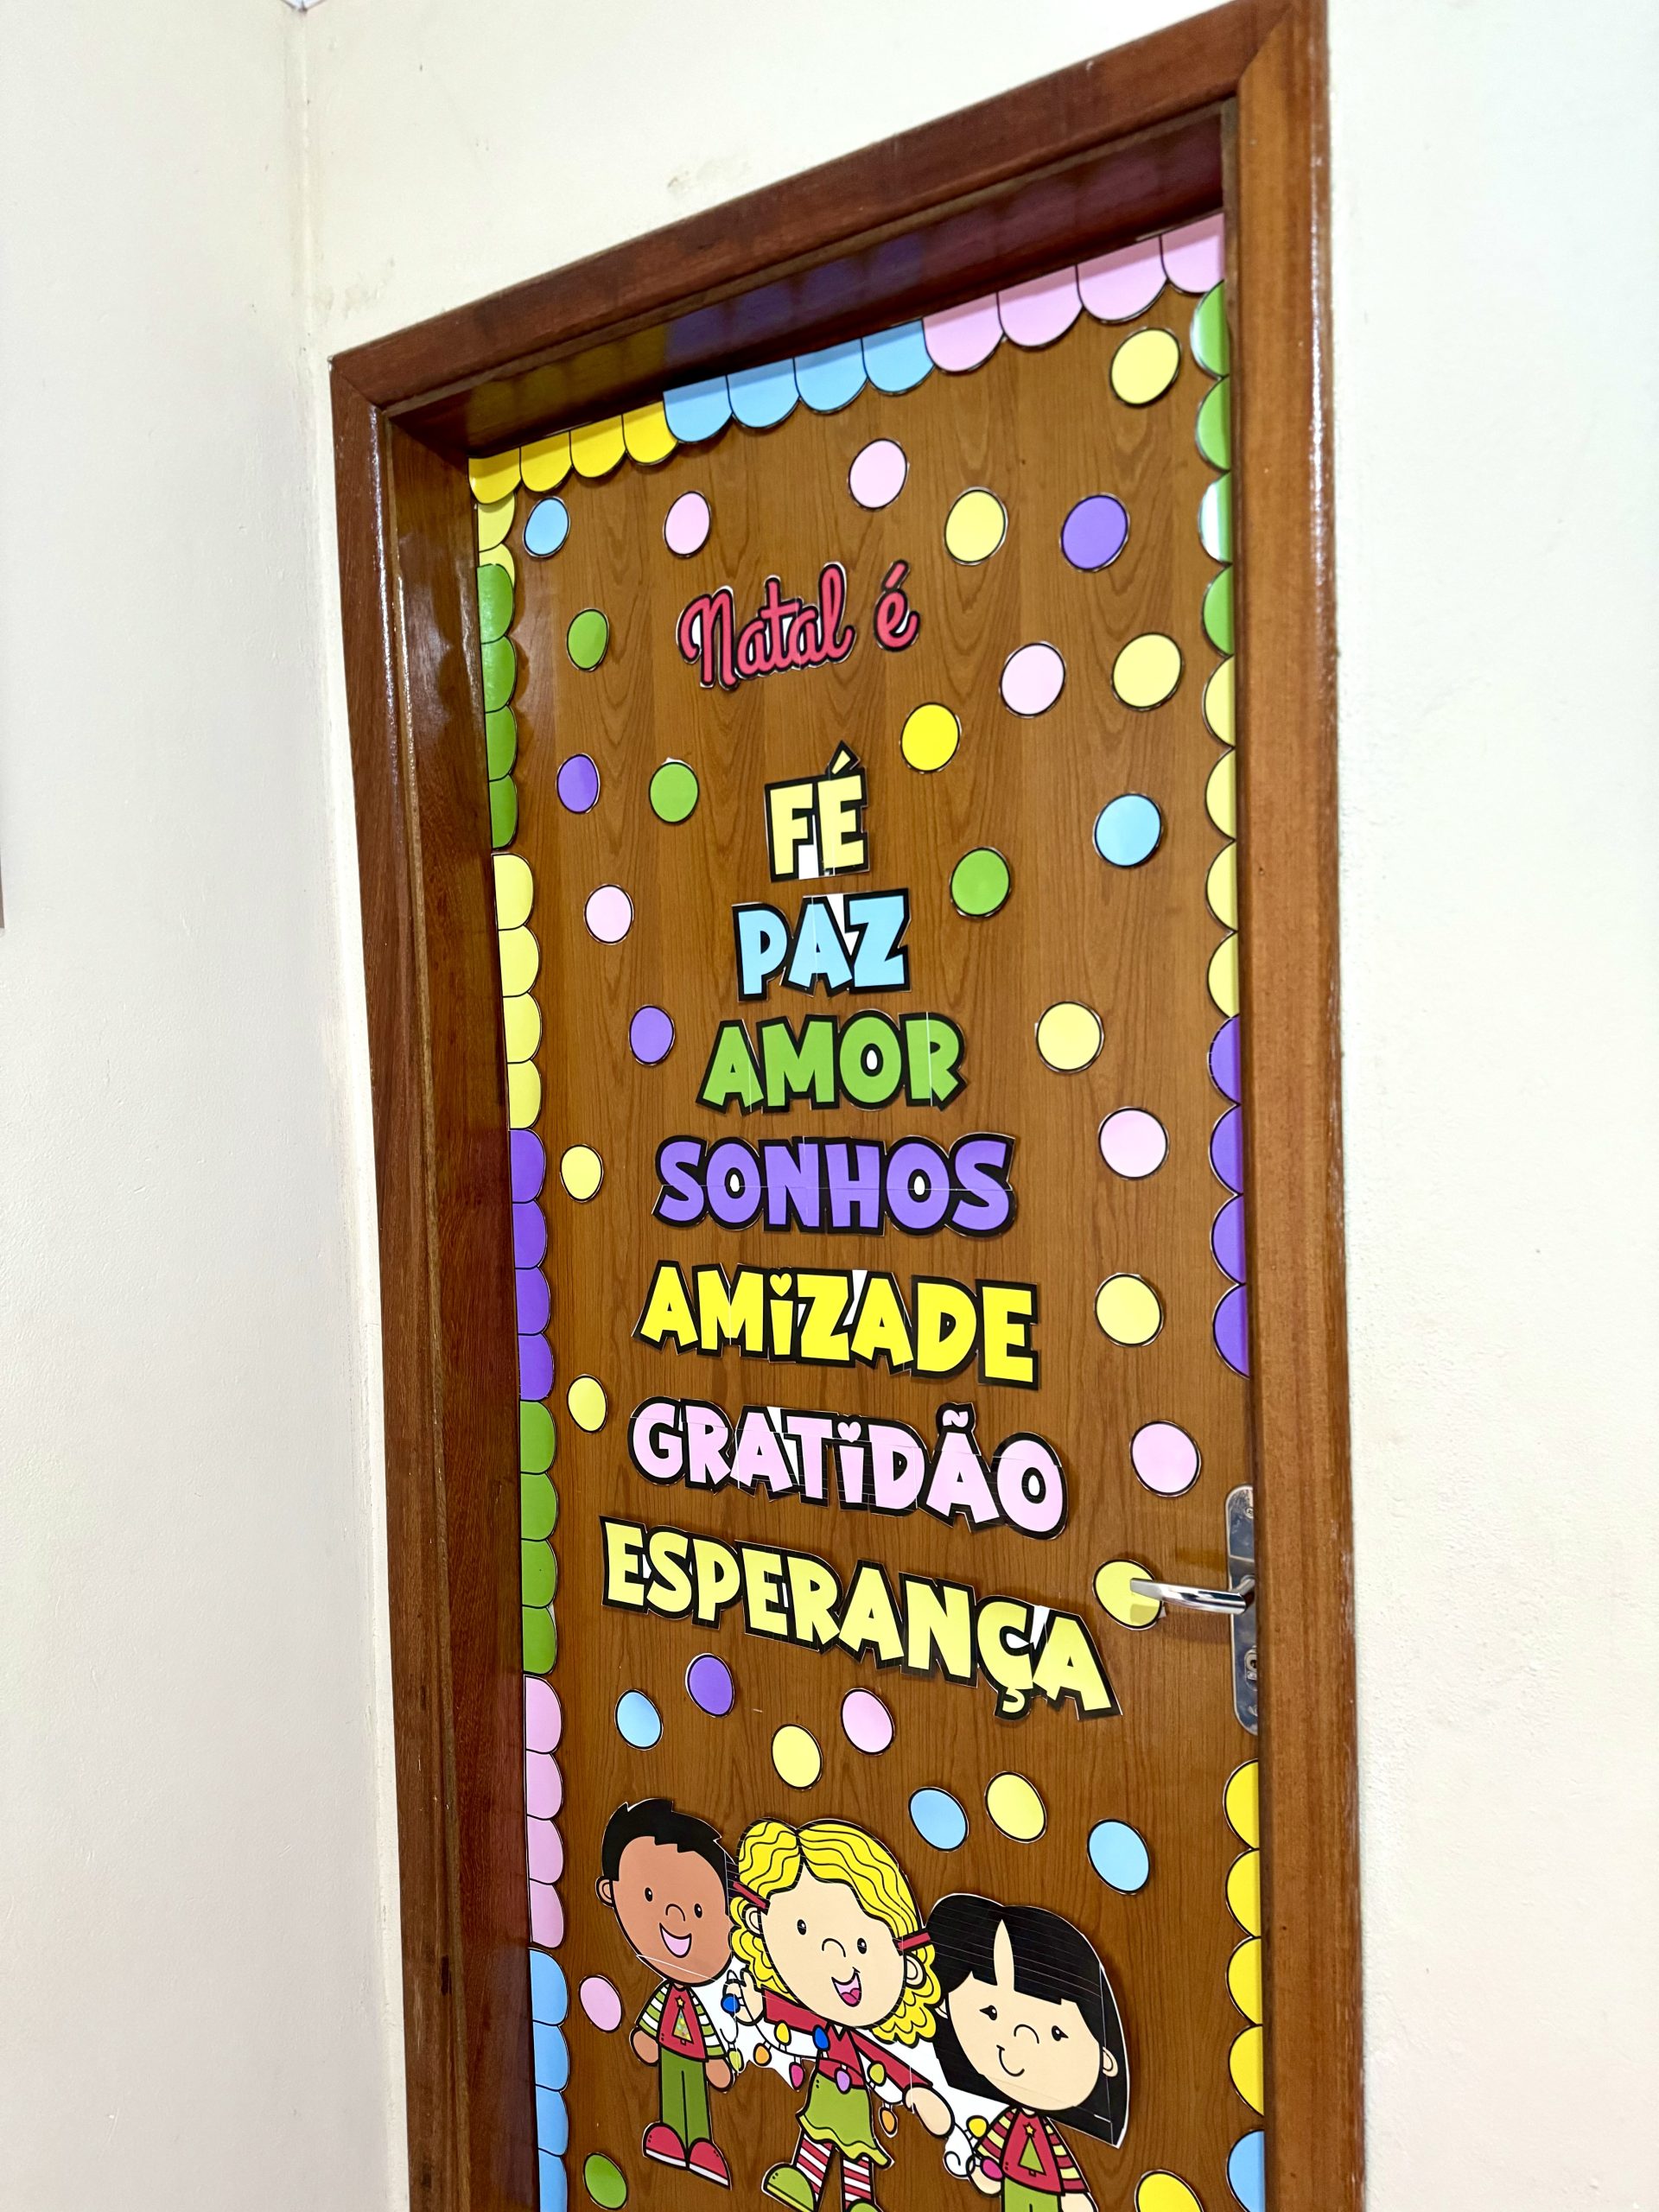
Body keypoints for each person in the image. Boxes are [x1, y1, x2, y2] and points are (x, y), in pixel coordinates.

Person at [729, 1816, 953, 2209]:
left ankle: (858, 2200)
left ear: (910, 1966)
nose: (835, 1959)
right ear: (757, 1921)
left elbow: (883, 2060)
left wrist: (915, 2090)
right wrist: (758, 2003)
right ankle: (805, 2181)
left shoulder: (865, 2039)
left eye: (862, 1946)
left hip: (855, 2100)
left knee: (857, 2152)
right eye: (802, 1928)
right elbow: (791, 2015)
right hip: (824, 2091)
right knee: (815, 2136)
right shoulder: (818, 2017)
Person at [929, 1894, 1129, 2210]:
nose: (1016, 2050)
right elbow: (993, 2150)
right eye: (990, 2012)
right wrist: (986, 2168)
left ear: (1106, 2057)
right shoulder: (1008, 2119)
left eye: (1056, 2033)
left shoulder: (1052, 2130)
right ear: (946, 2008)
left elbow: (1062, 2167)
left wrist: (1073, 2196)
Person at [597, 1798, 738, 2188]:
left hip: (694, 2053)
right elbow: (653, 2016)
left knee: (694, 2095)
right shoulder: (667, 1995)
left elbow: (707, 2028)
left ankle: (701, 2143)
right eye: (649, 1896)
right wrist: (646, 2035)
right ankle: (672, 2133)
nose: (675, 1918)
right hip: (671, 2050)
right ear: (610, 1891)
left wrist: (715, 2057)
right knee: (672, 2090)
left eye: (699, 1910)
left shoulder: (699, 2000)